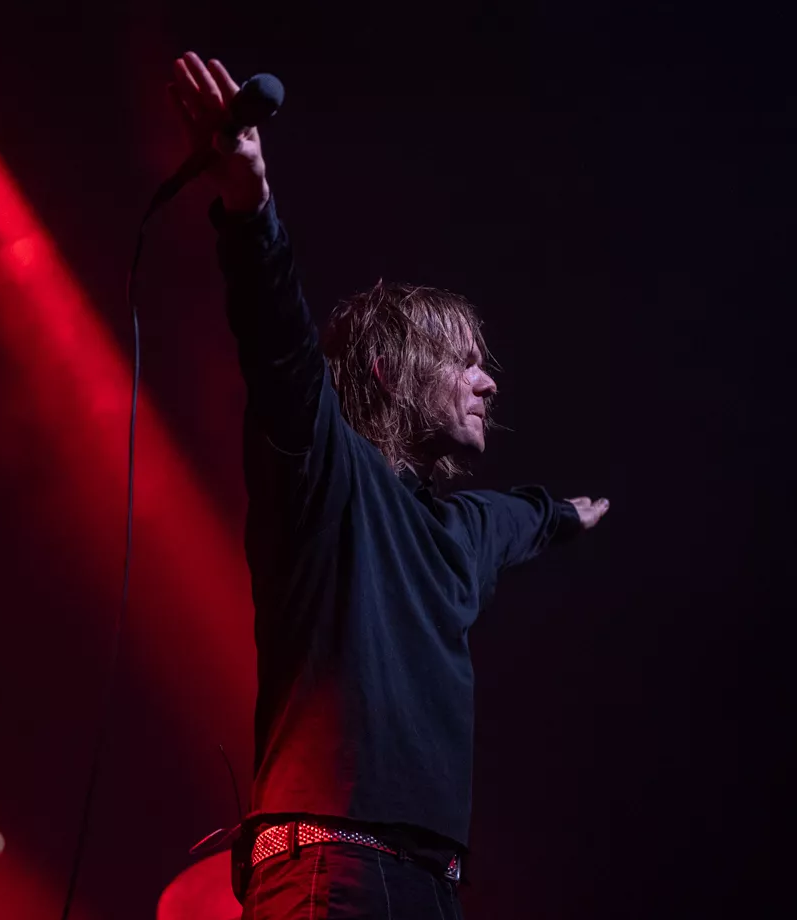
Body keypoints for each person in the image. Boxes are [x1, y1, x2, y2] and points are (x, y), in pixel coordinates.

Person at [169, 52, 610, 920]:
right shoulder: (325, 472)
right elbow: (279, 345)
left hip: (428, 887)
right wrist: (250, 207)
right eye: (464, 361)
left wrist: (563, 516)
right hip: (330, 874)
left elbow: (515, 518)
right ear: (388, 369)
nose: (489, 382)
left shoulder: (455, 533)